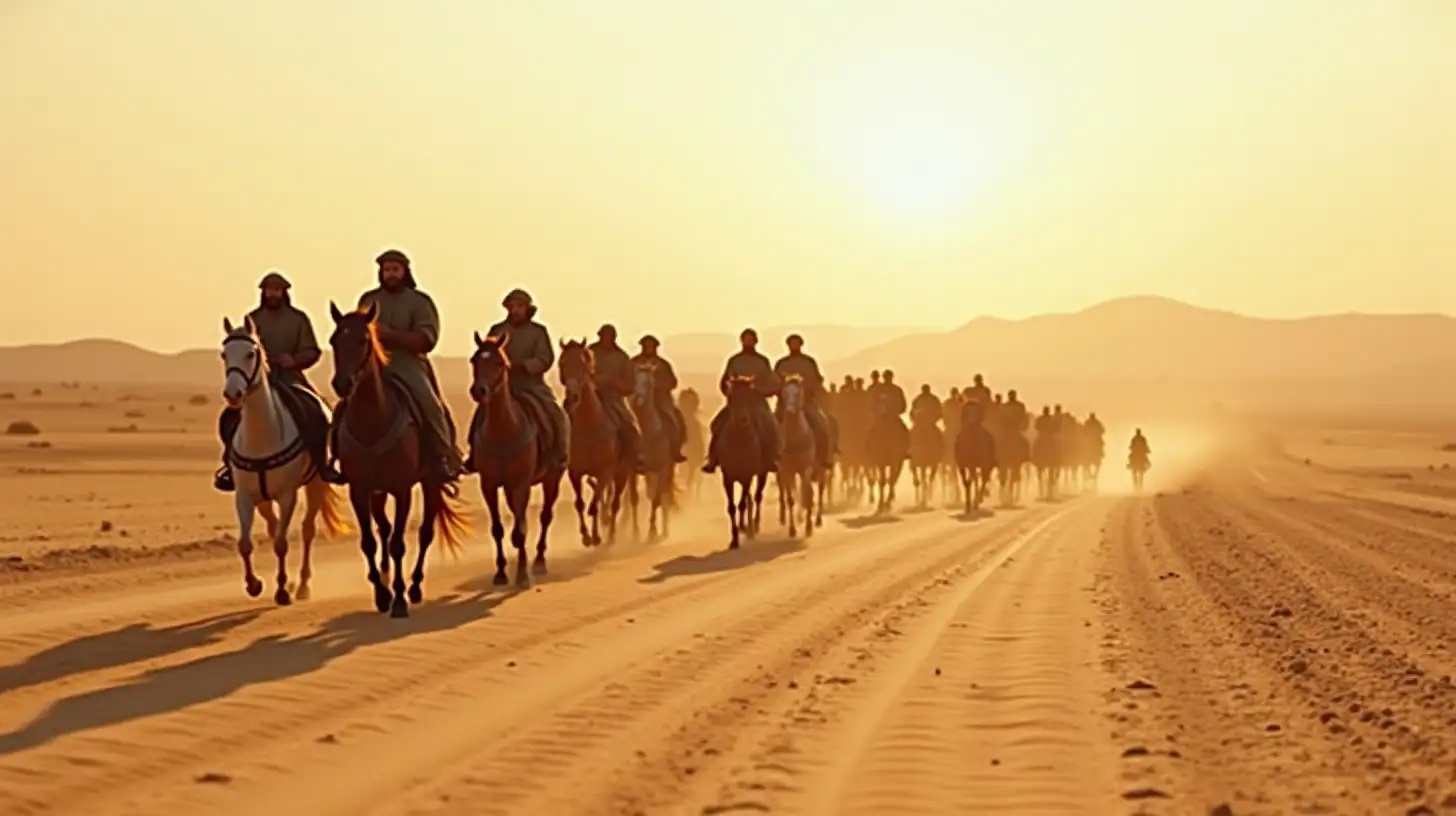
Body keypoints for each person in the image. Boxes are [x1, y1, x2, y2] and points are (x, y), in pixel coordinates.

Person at [334, 250, 463, 484]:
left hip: (407, 364)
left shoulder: (420, 302)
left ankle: (443, 457)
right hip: (371, 365)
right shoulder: (368, 299)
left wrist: (391, 335)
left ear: (405, 272)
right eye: (386, 270)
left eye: (395, 269)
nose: (391, 274)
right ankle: (337, 457)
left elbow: (427, 339)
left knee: (429, 403)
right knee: (344, 406)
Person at [215, 271, 342, 491]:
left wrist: (293, 360)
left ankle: (322, 465)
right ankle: (230, 466)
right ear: (262, 293)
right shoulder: (251, 319)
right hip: (256, 382)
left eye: (276, 290)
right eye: (268, 290)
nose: (272, 294)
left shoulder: (299, 319)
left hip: (291, 379)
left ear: (284, 292)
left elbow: (312, 350)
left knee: (316, 413)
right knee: (229, 418)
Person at [469, 288, 570, 470]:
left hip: (531, 385)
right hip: (499, 385)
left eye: (520, 306)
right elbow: (488, 355)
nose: (515, 310)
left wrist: (523, 366)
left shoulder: (538, 331)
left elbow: (545, 358)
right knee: (480, 415)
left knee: (556, 413)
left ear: (528, 309)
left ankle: (558, 453)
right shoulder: (497, 329)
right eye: (511, 306)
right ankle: (474, 454)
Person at [702, 328, 780, 474]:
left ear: (755, 341)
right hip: (736, 404)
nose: (748, 342)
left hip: (757, 404)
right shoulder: (734, 360)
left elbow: (771, 381)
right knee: (716, 424)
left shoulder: (762, 361)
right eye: (745, 339)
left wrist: (759, 389)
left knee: (771, 426)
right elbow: (724, 381)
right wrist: (729, 391)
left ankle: (771, 457)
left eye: (750, 339)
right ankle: (713, 459)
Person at [583, 324, 644, 470]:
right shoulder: (589, 352)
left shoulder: (622, 357)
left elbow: (629, 385)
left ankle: (635, 455)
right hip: (588, 395)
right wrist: (593, 380)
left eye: (609, 337)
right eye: (604, 336)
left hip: (612, 398)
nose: (606, 340)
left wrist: (612, 381)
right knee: (565, 416)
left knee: (628, 424)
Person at [772, 333, 834, 469]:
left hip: (807, 404)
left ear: (801, 345)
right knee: (770, 427)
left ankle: (823, 457)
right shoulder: (782, 364)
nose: (794, 346)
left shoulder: (809, 362)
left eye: (796, 343)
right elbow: (774, 381)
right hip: (784, 405)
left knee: (821, 425)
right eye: (791, 343)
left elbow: (817, 380)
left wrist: (808, 389)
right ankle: (771, 457)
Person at [631, 334, 688, 463]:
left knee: (674, 420)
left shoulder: (663, 364)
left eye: (651, 346)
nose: (649, 348)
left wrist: (658, 385)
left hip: (660, 400)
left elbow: (673, 383)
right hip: (637, 398)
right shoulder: (633, 363)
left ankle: (675, 449)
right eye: (646, 346)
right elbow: (626, 379)